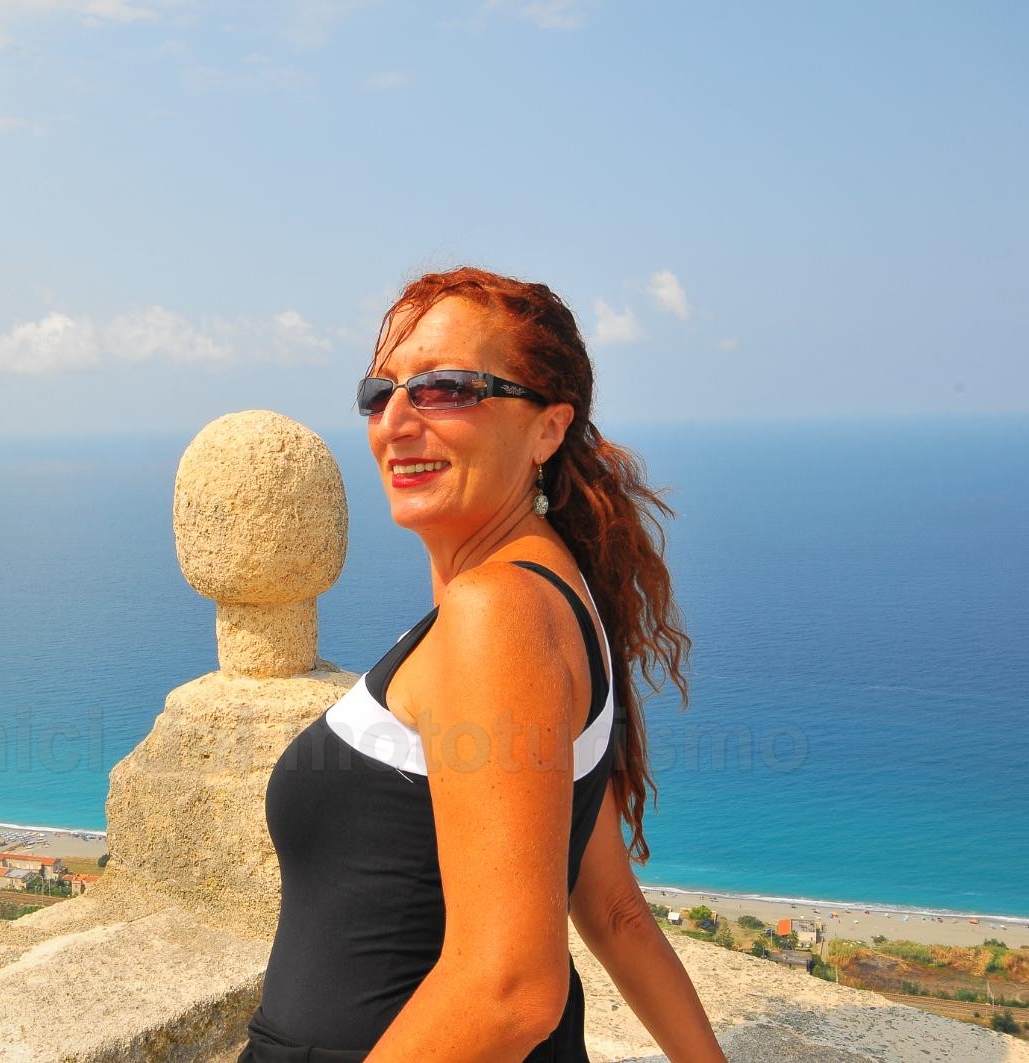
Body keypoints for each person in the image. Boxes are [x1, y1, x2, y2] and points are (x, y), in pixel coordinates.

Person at [240, 267, 725, 1062]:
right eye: (380, 393)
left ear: (548, 429)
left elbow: (510, 990)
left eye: (447, 389)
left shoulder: (497, 612)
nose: (395, 422)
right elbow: (612, 909)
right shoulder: (549, 597)